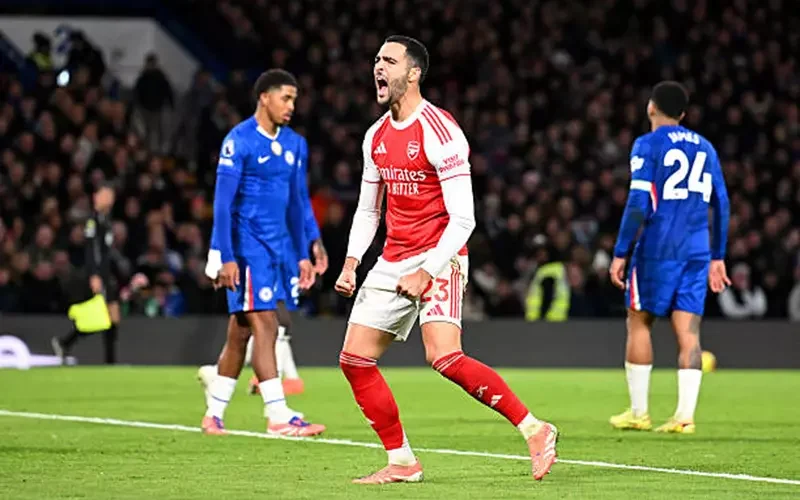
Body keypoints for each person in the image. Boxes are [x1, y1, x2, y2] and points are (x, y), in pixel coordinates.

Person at [333, 35, 558, 485]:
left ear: (413, 73)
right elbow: (368, 210)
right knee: (354, 360)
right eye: (376, 59)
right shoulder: (375, 136)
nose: (378, 67)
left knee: (443, 356)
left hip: (441, 253)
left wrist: (427, 270)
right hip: (394, 257)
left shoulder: (440, 131)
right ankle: (402, 462)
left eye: (389, 60)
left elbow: (464, 218)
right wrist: (352, 261)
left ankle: (535, 429)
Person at [200, 69, 325, 437]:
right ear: (264, 98)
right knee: (267, 324)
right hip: (246, 248)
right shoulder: (238, 141)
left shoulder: (295, 145)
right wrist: (224, 255)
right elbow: (222, 204)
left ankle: (214, 414)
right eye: (285, 98)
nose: (291, 106)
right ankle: (278, 415)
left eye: (294, 99)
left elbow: (298, 202)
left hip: (278, 249)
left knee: (240, 332)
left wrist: (308, 247)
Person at [608, 81, 731, 434]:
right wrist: (718, 256)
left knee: (639, 321)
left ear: (651, 107)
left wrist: (621, 251)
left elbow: (638, 202)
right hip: (697, 249)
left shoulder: (647, 144)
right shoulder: (705, 147)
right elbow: (722, 203)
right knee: (689, 331)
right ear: (683, 114)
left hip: (659, 247)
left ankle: (639, 412)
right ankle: (684, 417)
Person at [52, 185, 131, 364]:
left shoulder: (106, 220)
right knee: (105, 317)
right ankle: (69, 343)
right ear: (96, 197)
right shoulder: (93, 221)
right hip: (99, 275)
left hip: (106, 274)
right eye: (105, 195)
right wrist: (94, 275)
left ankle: (68, 343)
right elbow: (91, 249)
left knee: (113, 317)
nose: (109, 199)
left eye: (110, 196)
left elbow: (105, 252)